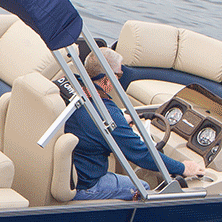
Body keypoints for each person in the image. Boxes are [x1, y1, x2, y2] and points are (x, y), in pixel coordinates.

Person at [65, 47, 203, 200]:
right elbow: (142, 155)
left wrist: (121, 120)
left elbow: (92, 120)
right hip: (85, 185)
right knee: (142, 187)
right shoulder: (109, 116)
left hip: (70, 168)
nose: (119, 79)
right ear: (106, 78)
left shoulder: (69, 85)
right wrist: (183, 167)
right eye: (119, 75)